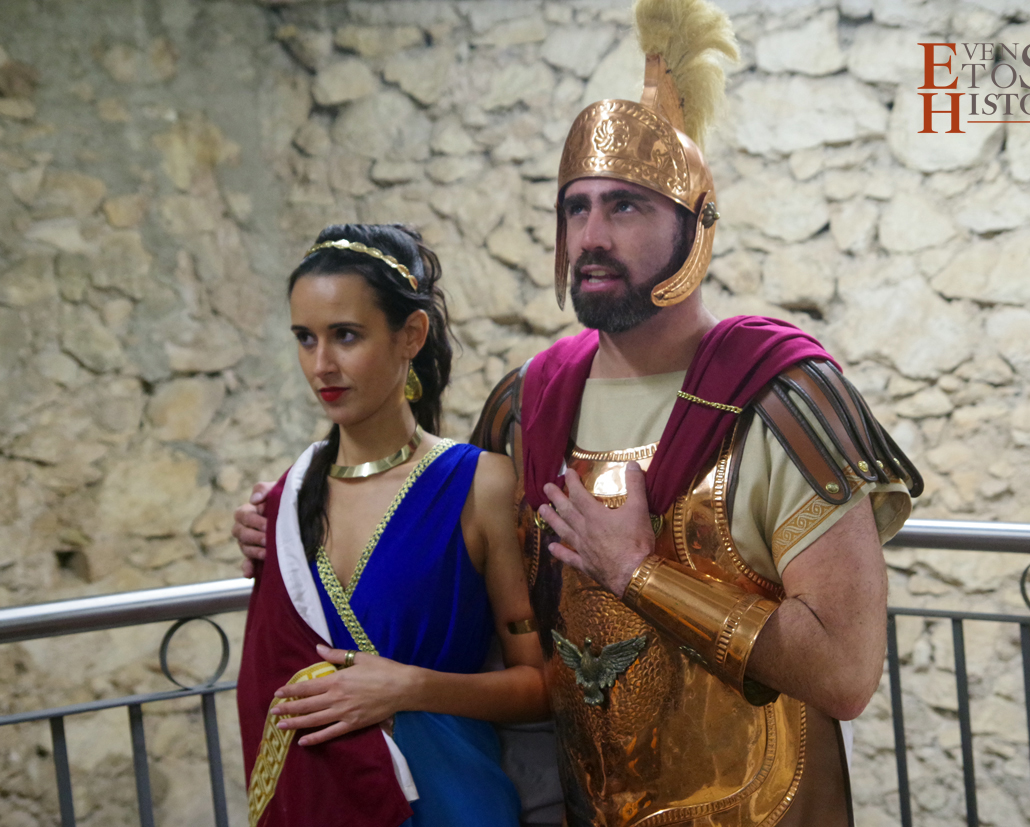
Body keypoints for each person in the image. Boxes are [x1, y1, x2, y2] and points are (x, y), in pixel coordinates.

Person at [237, 1, 924, 823]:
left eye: (625, 206)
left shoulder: (780, 400)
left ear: (694, 226)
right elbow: (447, 578)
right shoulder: (528, 405)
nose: (591, 235)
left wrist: (638, 571)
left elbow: (844, 675)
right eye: (576, 207)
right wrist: (296, 529)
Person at [235, 223, 548, 827]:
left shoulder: (479, 484)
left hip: (454, 801)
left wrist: (409, 688)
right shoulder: (287, 503)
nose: (321, 365)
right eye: (305, 338)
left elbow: (539, 685)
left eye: (346, 335)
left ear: (411, 335)